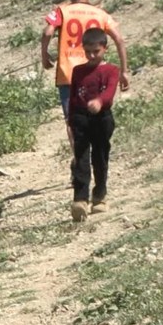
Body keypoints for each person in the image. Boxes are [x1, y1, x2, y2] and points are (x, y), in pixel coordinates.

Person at [41, 0, 128, 152]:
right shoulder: (100, 14)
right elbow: (119, 40)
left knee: (72, 120)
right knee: (95, 113)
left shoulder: (62, 11)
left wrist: (45, 55)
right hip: (95, 72)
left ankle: (80, 158)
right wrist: (124, 71)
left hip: (68, 74)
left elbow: (48, 32)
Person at [68, 28, 120, 223]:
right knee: (80, 157)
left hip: (102, 118)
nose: (91, 55)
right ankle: (80, 199)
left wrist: (99, 102)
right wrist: (70, 120)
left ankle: (99, 195)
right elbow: (73, 97)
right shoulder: (78, 71)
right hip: (80, 118)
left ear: (104, 48)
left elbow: (109, 92)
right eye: (87, 51)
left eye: (95, 51)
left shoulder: (111, 70)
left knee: (100, 156)